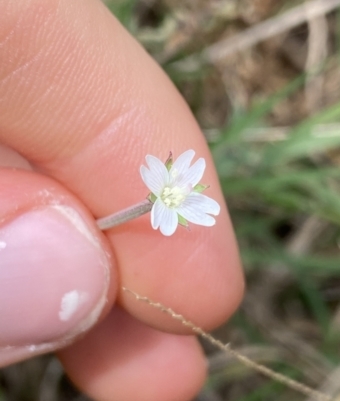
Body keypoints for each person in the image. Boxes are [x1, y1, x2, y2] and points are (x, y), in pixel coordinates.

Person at [0, 0, 244, 400]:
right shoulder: (158, 187)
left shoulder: (173, 204)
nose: (171, 194)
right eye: (169, 191)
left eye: (174, 194)